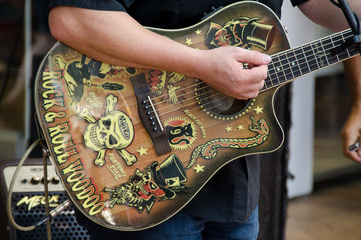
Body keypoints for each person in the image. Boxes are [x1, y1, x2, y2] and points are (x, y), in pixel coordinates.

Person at [47, 0, 361, 239]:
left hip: (236, 181)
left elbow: (346, 16)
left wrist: (360, 101)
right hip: (143, 181)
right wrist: (200, 64)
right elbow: (73, 17)